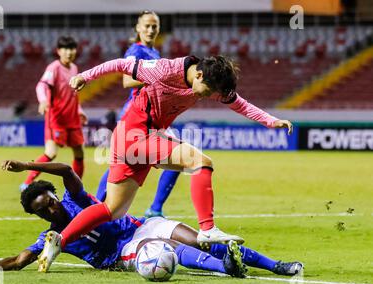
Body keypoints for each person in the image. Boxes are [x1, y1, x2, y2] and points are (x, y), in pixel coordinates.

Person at [40, 53, 294, 272]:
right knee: (200, 161)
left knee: (112, 209)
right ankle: (207, 228)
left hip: (130, 139)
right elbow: (121, 64)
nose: (209, 97)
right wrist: (85, 76)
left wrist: (271, 121)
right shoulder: (166, 69)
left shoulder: (209, 83)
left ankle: (60, 241)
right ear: (200, 76)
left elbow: (240, 104)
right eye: (208, 92)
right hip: (135, 135)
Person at [0, 160, 303, 279]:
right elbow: (19, 261)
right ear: (37, 215)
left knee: (201, 237)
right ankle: (226, 267)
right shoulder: (50, 239)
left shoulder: (75, 198)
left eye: (48, 201)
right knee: (164, 248)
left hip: (139, 226)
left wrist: (28, 166)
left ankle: (277, 266)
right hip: (119, 255)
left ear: (53, 196)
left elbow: (65, 169)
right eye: (42, 210)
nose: (51, 209)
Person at [95, 10, 181, 219]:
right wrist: (159, 77)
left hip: (153, 114)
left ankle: (154, 209)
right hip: (136, 113)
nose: (151, 30)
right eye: (147, 26)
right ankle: (151, 209)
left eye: (155, 26)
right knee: (126, 163)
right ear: (138, 28)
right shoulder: (136, 50)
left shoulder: (155, 52)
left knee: (174, 157)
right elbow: (127, 80)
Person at [19, 36, 88, 192]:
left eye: (72, 49)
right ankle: (27, 183)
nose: (69, 52)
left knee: (79, 153)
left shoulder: (75, 69)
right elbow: (41, 85)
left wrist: (80, 111)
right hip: (56, 118)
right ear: (58, 51)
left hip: (73, 118)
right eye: (65, 49)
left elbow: (73, 95)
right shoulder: (54, 68)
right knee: (51, 153)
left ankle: (76, 188)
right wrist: (43, 100)